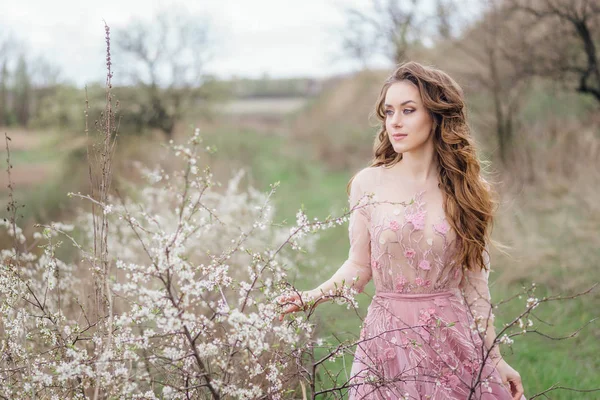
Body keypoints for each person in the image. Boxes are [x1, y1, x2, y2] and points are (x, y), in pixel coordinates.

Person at [277, 61, 526, 399]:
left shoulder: (467, 189)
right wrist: (312, 296)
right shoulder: (368, 183)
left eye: (408, 110)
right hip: (386, 343)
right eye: (388, 111)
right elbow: (359, 267)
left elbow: (475, 283)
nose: (394, 122)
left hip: (451, 341)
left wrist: (495, 359)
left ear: (436, 116)